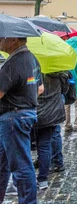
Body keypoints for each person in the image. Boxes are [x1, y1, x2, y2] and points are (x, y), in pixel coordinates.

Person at [0, 36, 43, 203]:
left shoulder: (14, 62)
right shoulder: (32, 58)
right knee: (3, 164)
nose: (0, 41)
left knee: (21, 167)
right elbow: (40, 88)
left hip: (13, 117)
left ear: (14, 40)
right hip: (23, 114)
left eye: (2, 38)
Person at [34, 71, 70, 190]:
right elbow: (65, 90)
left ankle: (32, 177)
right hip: (54, 113)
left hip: (36, 113)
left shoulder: (34, 71)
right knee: (46, 145)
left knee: (29, 145)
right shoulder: (59, 72)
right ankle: (43, 179)